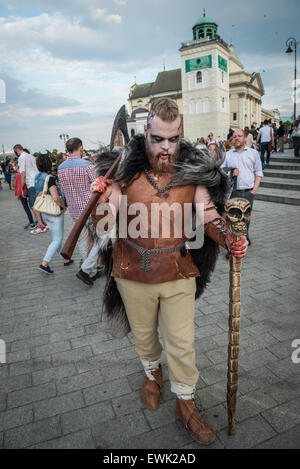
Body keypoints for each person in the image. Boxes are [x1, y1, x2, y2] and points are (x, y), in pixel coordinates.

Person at [92, 98, 248, 446]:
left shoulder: (192, 174)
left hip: (178, 272)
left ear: (181, 135)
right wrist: (102, 200)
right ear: (145, 132)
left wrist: (229, 238)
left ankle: (186, 403)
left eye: (173, 139)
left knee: (181, 342)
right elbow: (104, 225)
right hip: (132, 273)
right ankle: (152, 374)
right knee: (145, 336)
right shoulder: (124, 172)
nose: (165, 147)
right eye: (157, 138)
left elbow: (207, 216)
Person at [58, 137, 103, 286]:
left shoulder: (61, 168)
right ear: (81, 147)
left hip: (74, 210)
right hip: (90, 210)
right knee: (102, 239)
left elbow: (63, 190)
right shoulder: (87, 166)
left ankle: (90, 272)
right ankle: (87, 268)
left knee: (82, 241)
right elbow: (97, 187)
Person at [222, 129, 263, 247]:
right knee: (233, 219)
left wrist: (254, 190)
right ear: (232, 139)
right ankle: (234, 245)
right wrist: (230, 171)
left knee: (246, 218)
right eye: (235, 136)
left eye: (239, 136)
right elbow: (221, 171)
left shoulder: (253, 153)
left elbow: (258, 172)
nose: (237, 138)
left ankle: (245, 237)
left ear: (245, 138)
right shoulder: (227, 155)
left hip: (248, 192)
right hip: (233, 192)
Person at [34, 154, 73, 273]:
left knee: (56, 238)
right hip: (54, 212)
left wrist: (39, 218)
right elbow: (55, 197)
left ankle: (65, 259)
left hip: (45, 211)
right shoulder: (49, 178)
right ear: (48, 163)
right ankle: (44, 263)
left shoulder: (37, 176)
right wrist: (63, 206)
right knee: (57, 239)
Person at [13, 144, 47, 234]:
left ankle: (41, 225)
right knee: (39, 203)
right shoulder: (30, 156)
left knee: (33, 205)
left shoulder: (21, 158)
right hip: (37, 180)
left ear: (16, 150)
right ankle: (43, 222)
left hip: (30, 182)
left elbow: (23, 174)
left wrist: (21, 188)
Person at [14, 160, 36, 229]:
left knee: (26, 208)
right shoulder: (24, 173)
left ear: (17, 166)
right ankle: (37, 221)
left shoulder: (19, 174)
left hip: (22, 193)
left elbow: (19, 185)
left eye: (14, 166)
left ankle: (31, 223)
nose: (13, 167)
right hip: (27, 191)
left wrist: (18, 194)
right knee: (32, 207)